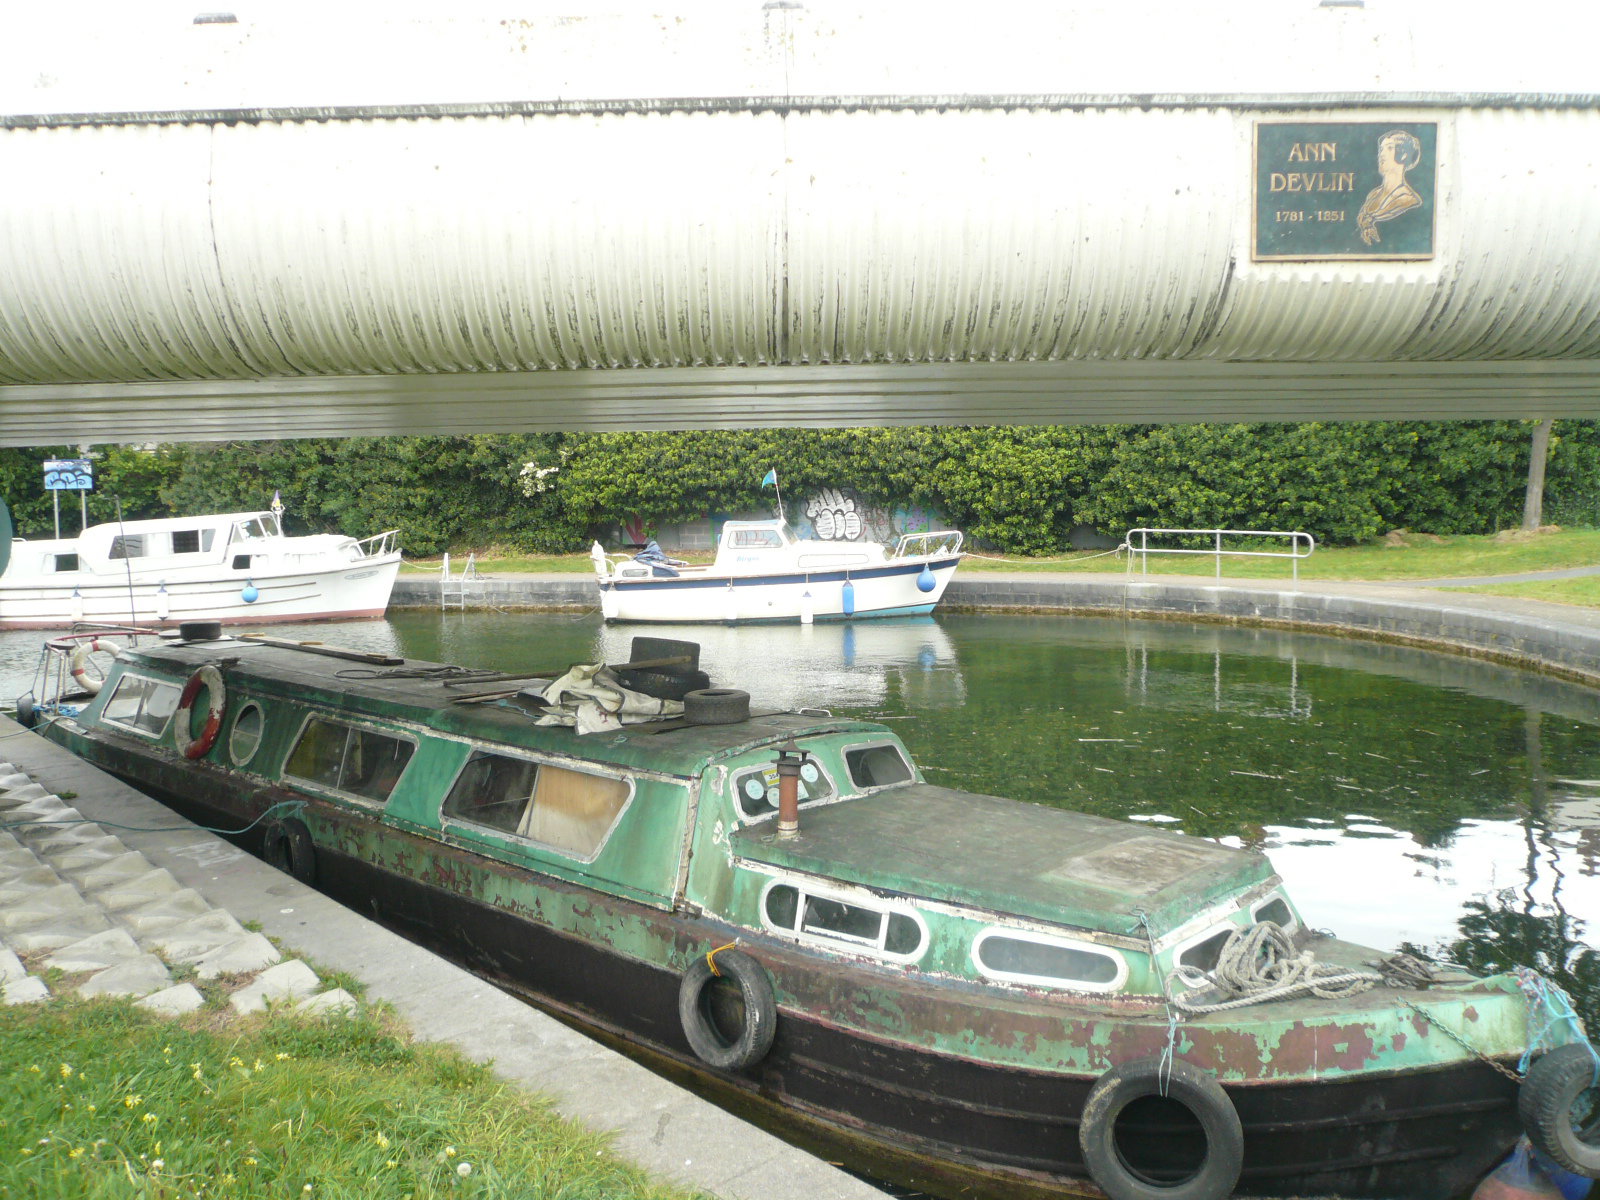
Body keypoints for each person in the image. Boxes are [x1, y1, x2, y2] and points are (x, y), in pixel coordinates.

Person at [1356, 130, 1424, 246]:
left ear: (1403, 155)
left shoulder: (1409, 200)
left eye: (1389, 148)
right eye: (1381, 149)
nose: (1381, 154)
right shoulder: (1373, 194)